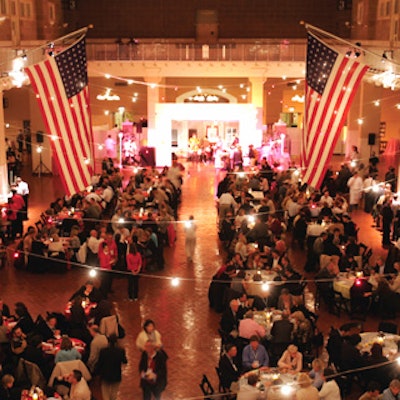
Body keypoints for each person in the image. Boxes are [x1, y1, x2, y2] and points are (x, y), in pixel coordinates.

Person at [96, 334, 127, 400]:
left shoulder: (103, 351)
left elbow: (99, 363)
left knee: (105, 393)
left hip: (105, 375)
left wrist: (97, 373)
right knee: (114, 393)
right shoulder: (120, 351)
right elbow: (125, 361)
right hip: (116, 375)